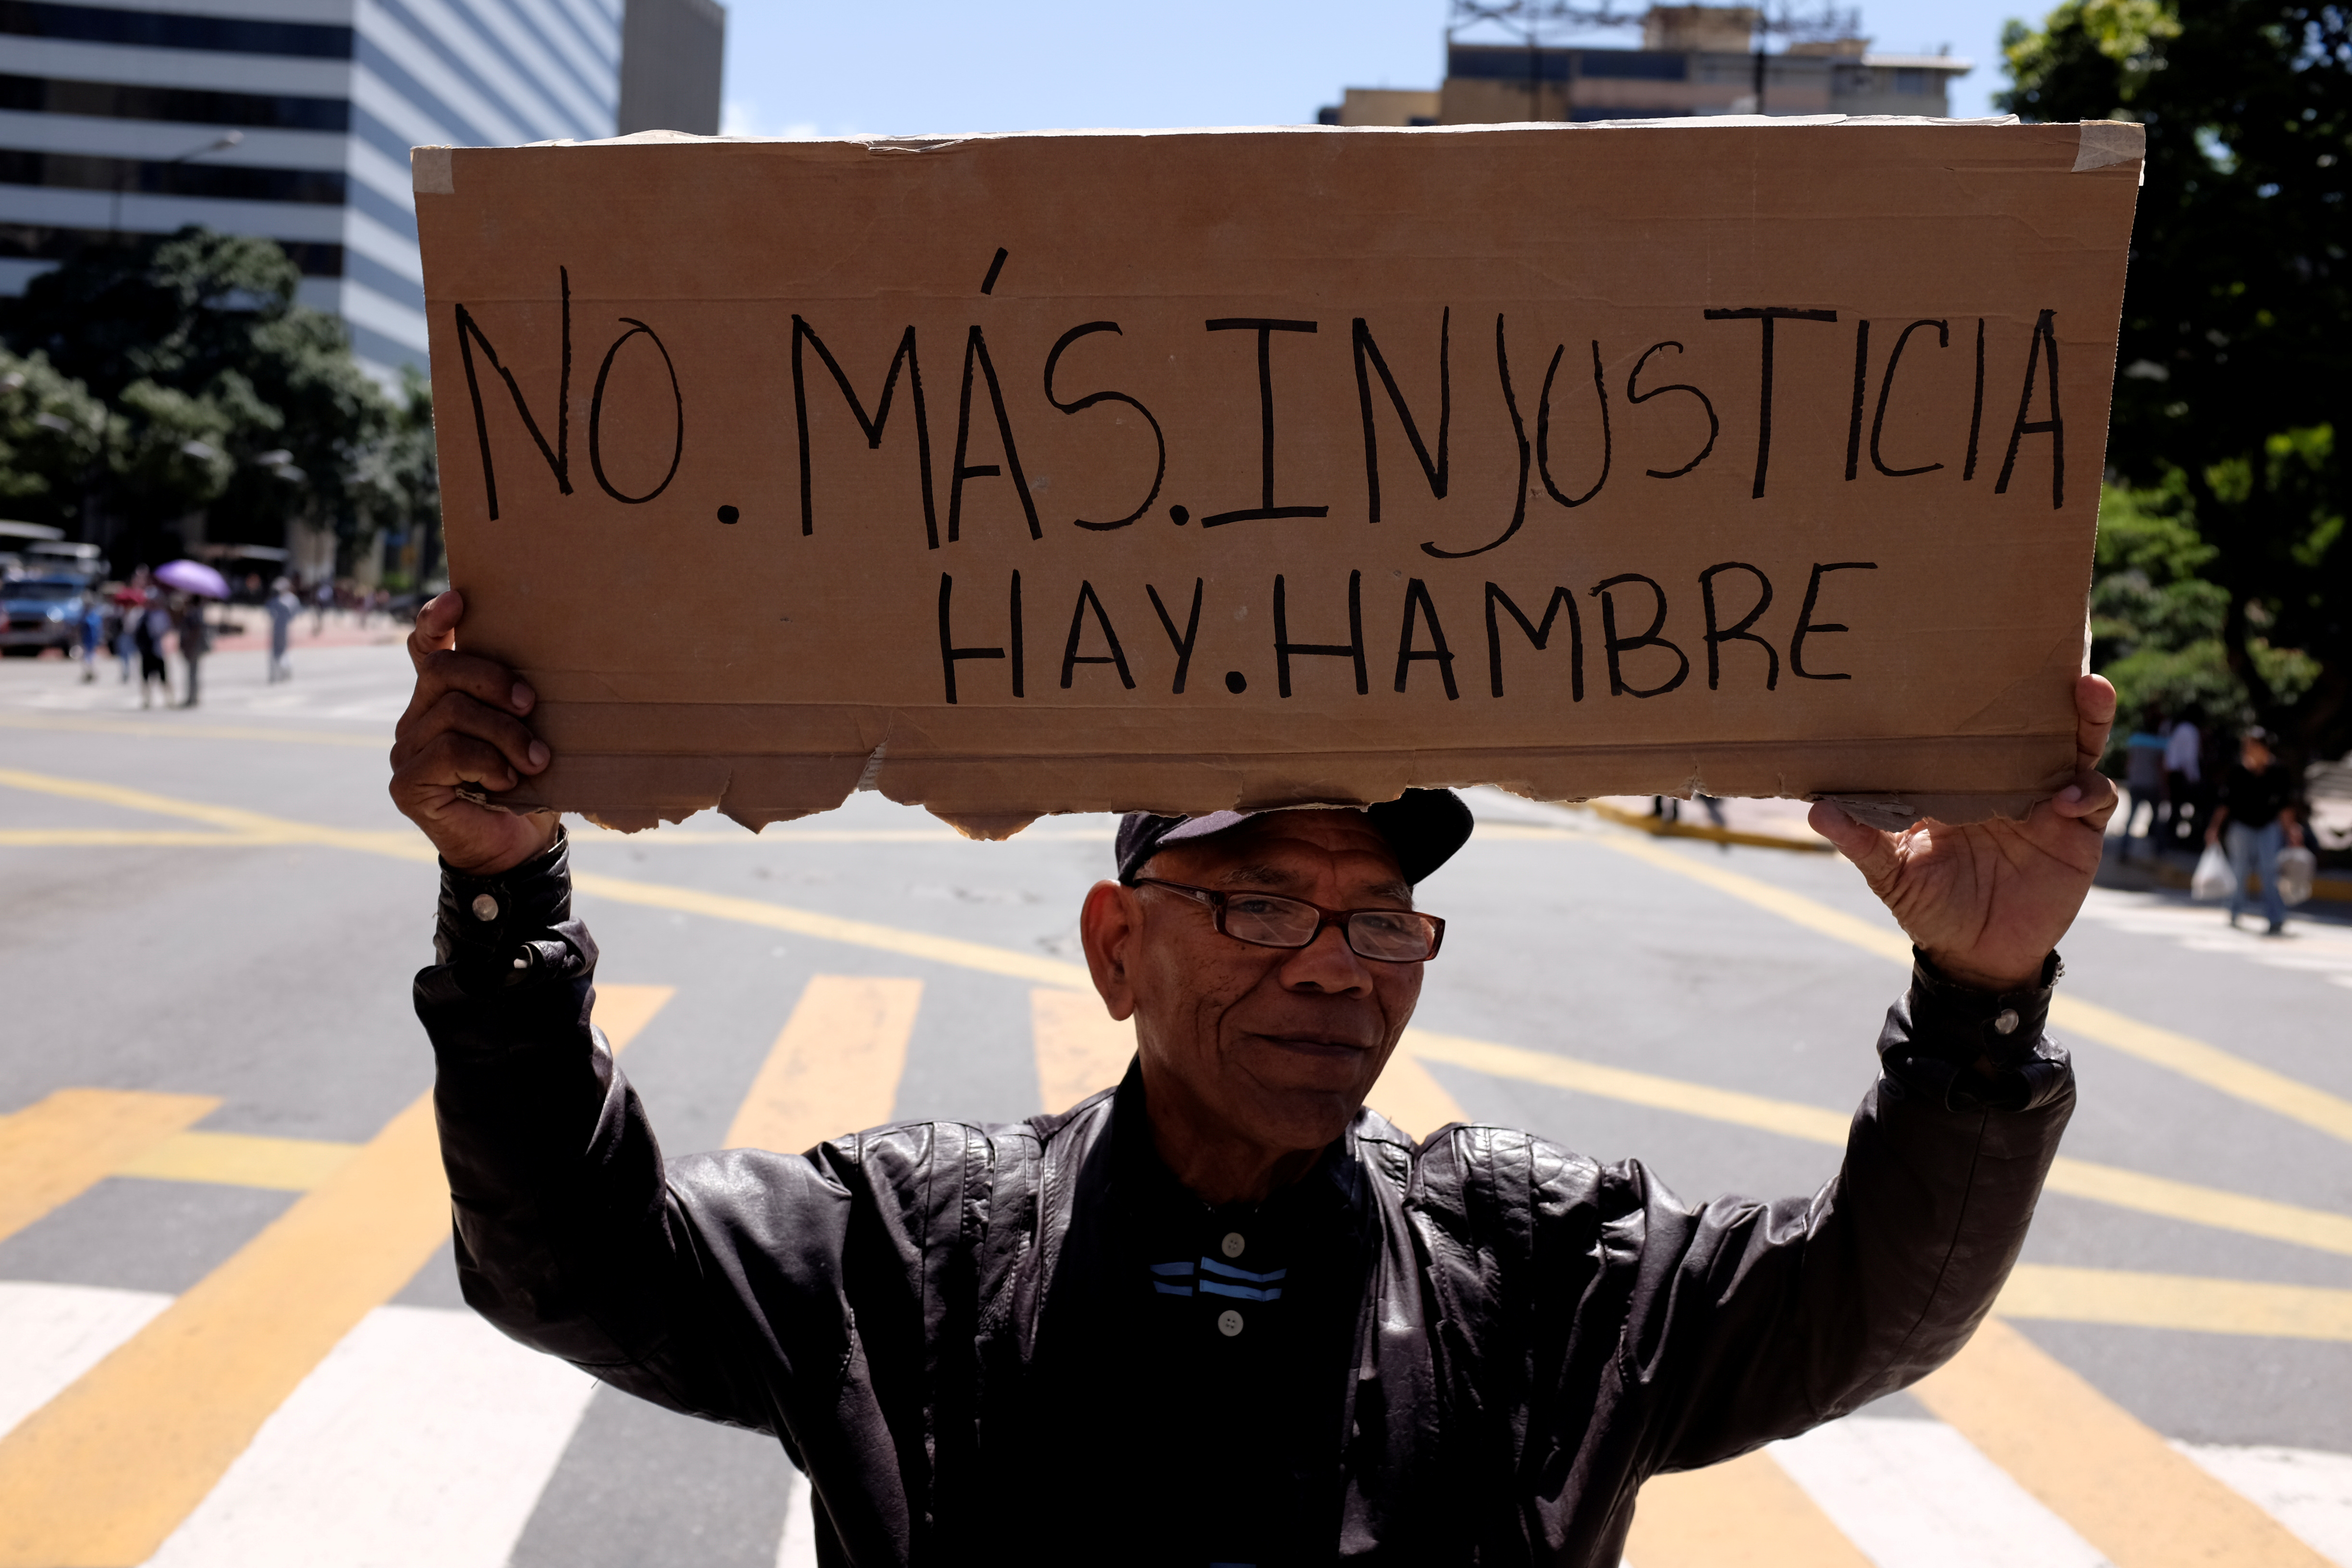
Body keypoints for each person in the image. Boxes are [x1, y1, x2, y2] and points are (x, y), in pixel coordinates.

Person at [392, 591, 2113, 1567]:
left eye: (1380, 920)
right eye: (1261, 901)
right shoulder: (901, 1239)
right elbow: (574, 1260)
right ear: (1114, 947)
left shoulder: (1544, 1259)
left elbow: (1871, 1306)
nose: (1327, 964)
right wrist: (503, 894)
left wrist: (1980, 993)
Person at [2206, 726, 2304, 936]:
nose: (2247, 749)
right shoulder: (2238, 771)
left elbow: (2284, 806)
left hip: (2268, 827)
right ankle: (2234, 911)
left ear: (2263, 748)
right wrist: (2214, 828)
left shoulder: (2278, 772)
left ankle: (2275, 917)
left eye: (2251, 745)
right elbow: (2226, 803)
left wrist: (2292, 830)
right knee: (2238, 871)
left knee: (2270, 871)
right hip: (2241, 827)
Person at [2120, 707, 2167, 851]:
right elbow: (2161, 767)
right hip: (2152, 784)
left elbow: (2129, 762)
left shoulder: (2135, 739)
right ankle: (2159, 850)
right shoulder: (2161, 742)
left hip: (2136, 782)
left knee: (2131, 818)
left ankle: (2124, 849)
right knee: (2157, 818)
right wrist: (2165, 787)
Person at [2163, 710, 2204, 847]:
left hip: (2174, 772)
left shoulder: (2179, 728)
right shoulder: (2190, 730)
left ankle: (2169, 839)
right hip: (2182, 774)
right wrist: (2194, 777)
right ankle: (2178, 841)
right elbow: (2189, 757)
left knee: (2175, 807)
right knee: (2185, 808)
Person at [133, 596, 172, 709]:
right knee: (146, 677)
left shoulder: (161, 615)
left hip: (158, 650)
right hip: (146, 651)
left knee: (163, 676)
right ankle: (147, 699)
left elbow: (165, 630)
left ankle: (168, 699)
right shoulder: (141, 616)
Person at [173, 591, 210, 708]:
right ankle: (192, 697)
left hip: (193, 647)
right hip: (194, 646)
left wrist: (189, 646)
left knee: (192, 673)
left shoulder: (194, 613)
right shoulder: (193, 612)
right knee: (192, 673)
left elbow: (196, 631)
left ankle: (192, 698)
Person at [265, 576, 300, 683]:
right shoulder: (291, 599)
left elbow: (270, 612)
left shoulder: (280, 600)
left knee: (279, 652)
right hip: (281, 629)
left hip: (281, 629)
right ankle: (281, 675)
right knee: (281, 652)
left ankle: (279, 675)